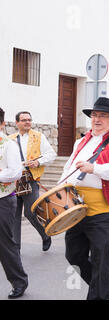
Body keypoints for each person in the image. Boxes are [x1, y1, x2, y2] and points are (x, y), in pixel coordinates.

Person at [60, 97, 109, 300]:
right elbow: (68, 168)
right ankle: (106, 286)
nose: (97, 119)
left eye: (103, 116)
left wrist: (95, 168)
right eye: (94, 115)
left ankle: (98, 293)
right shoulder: (81, 141)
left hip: (105, 208)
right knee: (73, 255)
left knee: (100, 259)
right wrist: (58, 190)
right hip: (76, 207)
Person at [9, 111, 56, 252]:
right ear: (17, 123)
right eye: (24, 120)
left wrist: (38, 161)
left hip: (30, 180)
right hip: (14, 181)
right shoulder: (10, 139)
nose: (27, 122)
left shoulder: (39, 137)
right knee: (14, 215)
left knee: (32, 212)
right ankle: (15, 248)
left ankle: (45, 236)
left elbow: (51, 155)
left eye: (29, 119)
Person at [0, 107, 29, 299]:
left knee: (5, 243)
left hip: (3, 200)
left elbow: (15, 172)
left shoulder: (8, 145)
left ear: (2, 124)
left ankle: (19, 281)